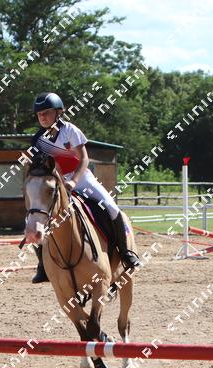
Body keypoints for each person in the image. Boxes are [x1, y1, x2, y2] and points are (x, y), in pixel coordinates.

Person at [29, 91, 140, 283]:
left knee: (112, 208)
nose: (42, 117)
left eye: (46, 112)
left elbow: (84, 159)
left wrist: (73, 181)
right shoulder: (38, 139)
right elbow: (39, 168)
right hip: (56, 183)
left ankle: (125, 252)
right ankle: (42, 265)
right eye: (39, 114)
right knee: (34, 219)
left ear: (58, 112)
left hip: (81, 178)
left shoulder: (70, 130)